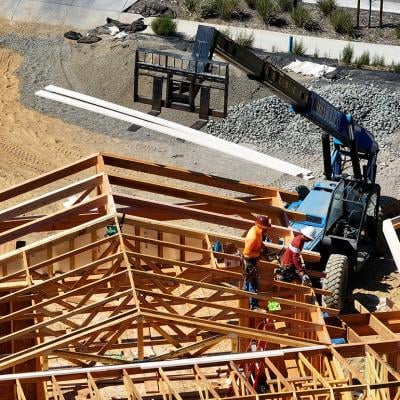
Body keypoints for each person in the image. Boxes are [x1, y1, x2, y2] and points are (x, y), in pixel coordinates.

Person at [242, 215, 272, 310]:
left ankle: (245, 289)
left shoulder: (257, 230)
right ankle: (254, 305)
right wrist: (259, 253)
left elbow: (259, 241)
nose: (267, 229)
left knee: (248, 277)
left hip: (252, 258)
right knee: (254, 281)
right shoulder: (253, 236)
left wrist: (263, 247)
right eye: (266, 227)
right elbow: (247, 252)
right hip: (249, 259)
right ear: (262, 227)